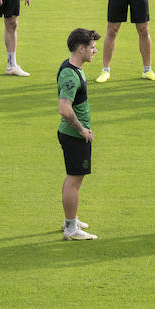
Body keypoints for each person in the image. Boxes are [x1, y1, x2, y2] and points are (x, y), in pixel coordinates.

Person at [57, 28, 101, 241]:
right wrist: (82, 129)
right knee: (74, 180)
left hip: (73, 135)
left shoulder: (74, 67)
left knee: (73, 179)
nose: (95, 51)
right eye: (92, 47)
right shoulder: (70, 75)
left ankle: (70, 219)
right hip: (74, 136)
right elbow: (64, 109)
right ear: (81, 48)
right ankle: (71, 228)